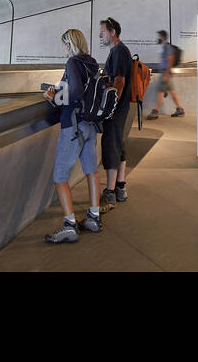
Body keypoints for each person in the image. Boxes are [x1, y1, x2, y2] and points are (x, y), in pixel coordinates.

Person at [43, 29, 103, 243]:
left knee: (60, 176)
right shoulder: (92, 62)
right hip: (90, 125)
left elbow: (75, 93)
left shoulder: (73, 63)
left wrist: (54, 96)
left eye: (65, 44)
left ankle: (69, 225)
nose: (64, 49)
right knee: (91, 170)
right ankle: (94, 218)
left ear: (70, 44)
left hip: (74, 126)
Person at [98, 18, 132, 207]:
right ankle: (120, 187)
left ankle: (110, 191)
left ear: (112, 32)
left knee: (110, 144)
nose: (100, 35)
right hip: (121, 107)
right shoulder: (120, 51)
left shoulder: (118, 51)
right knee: (119, 143)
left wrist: (110, 107)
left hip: (116, 108)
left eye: (102, 31)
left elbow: (119, 82)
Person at [147, 30, 185, 119]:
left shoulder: (167, 47)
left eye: (159, 36)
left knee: (160, 91)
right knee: (171, 91)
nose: (158, 38)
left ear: (162, 37)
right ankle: (180, 109)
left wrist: (167, 74)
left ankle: (156, 111)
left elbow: (171, 59)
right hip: (166, 72)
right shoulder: (164, 46)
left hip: (166, 72)